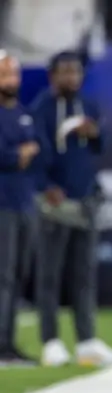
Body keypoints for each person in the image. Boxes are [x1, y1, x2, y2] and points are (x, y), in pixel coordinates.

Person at [30, 51, 112, 367]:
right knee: (49, 275)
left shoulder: (89, 107)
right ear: (52, 75)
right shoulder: (41, 108)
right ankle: (51, 341)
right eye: (65, 72)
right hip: (54, 203)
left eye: (76, 72)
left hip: (85, 202)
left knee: (83, 274)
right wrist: (45, 187)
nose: (72, 77)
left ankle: (86, 341)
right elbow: (36, 155)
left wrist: (94, 133)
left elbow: (100, 148)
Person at [0, 50, 41, 366]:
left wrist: (21, 154)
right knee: (4, 276)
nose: (11, 80)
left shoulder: (23, 112)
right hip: (2, 204)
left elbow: (36, 151)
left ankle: (9, 343)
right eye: (4, 74)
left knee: (18, 276)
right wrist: (18, 155)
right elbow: (10, 157)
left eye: (13, 74)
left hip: (24, 202)